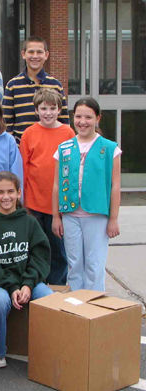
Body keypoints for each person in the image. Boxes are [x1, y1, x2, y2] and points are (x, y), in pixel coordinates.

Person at [0, 171, 52, 368]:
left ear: (19, 193)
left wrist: (28, 284)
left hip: (27, 281)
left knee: (49, 297)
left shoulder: (29, 222)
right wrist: (12, 287)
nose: (6, 196)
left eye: (11, 191)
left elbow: (40, 257)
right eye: (0, 192)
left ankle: (49, 351)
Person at [52, 98, 121, 291]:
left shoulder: (109, 148)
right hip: (70, 215)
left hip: (97, 215)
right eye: (79, 116)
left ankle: (94, 307)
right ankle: (77, 307)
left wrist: (113, 218)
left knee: (94, 264)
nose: (83, 121)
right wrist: (56, 216)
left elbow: (115, 186)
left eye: (88, 117)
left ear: (98, 118)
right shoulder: (64, 148)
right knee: (74, 264)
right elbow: (57, 185)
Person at [20, 88, 75, 285]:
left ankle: (57, 287)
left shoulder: (67, 132)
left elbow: (72, 167)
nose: (48, 112)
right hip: (34, 202)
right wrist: (24, 202)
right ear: (36, 110)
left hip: (59, 204)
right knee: (37, 247)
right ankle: (38, 285)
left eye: (53, 108)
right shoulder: (29, 133)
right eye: (43, 108)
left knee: (59, 250)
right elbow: (24, 168)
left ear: (60, 110)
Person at [2, 36, 69, 144]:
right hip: (21, 150)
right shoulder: (12, 86)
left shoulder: (56, 85)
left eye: (39, 52)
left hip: (51, 148)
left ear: (46, 55)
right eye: (31, 52)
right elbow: (6, 123)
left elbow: (64, 121)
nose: (35, 56)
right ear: (23, 54)